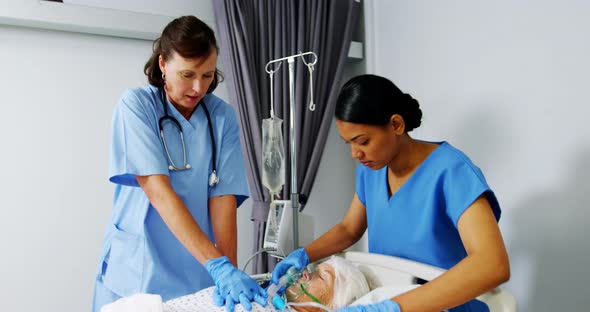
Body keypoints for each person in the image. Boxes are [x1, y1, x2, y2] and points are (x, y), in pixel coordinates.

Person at [271, 74, 511, 312]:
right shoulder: (371, 172)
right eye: (349, 144)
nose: (355, 153)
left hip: (444, 307)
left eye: (363, 141)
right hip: (386, 297)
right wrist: (303, 255)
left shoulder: (452, 172)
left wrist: (392, 308)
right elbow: (348, 230)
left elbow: (492, 265)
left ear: (396, 125)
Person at [92, 15, 266, 312]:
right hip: (138, 269)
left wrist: (229, 276)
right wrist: (219, 266)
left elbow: (223, 204)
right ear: (163, 64)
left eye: (208, 75)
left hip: (197, 268)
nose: (198, 88)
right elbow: (158, 192)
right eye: (188, 75)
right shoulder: (136, 106)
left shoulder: (221, 118)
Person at [101, 256, 370, 312]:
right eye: (314, 269)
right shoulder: (264, 298)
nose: (305, 274)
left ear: (333, 306)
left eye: (322, 277)